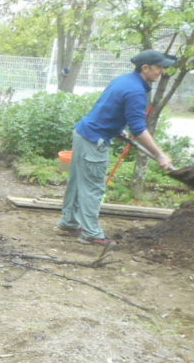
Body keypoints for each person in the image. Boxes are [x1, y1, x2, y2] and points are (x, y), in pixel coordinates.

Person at [58, 50, 176, 247]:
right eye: (159, 67)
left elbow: (109, 106)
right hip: (94, 140)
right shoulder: (136, 91)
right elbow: (138, 129)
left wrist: (116, 128)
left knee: (78, 182)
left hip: (83, 132)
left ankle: (69, 221)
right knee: (93, 188)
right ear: (145, 68)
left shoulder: (124, 80)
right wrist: (160, 155)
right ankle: (91, 233)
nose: (162, 71)